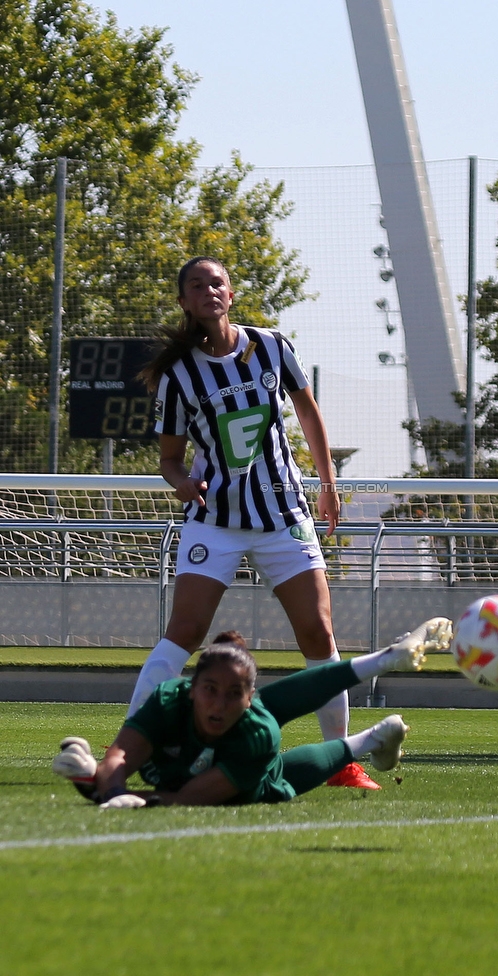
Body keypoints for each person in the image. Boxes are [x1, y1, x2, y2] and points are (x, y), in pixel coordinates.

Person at [130, 254, 372, 788]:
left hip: (283, 514)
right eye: (196, 285)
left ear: (231, 293)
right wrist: (181, 483)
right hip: (214, 520)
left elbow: (308, 414)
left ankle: (342, 763)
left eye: (216, 282)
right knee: (184, 632)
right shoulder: (177, 376)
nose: (208, 291)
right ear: (184, 301)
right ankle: (127, 746)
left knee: (319, 634)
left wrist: (328, 485)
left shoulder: (272, 346)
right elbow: (170, 459)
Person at [52, 618, 453, 809]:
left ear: (249, 699)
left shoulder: (257, 732)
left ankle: (372, 734)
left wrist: (108, 791)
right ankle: (379, 690)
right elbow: (121, 755)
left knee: (276, 778)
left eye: (234, 695)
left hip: (239, 778)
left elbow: (188, 799)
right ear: (192, 689)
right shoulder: (170, 699)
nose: (219, 704)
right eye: (209, 690)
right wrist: (108, 783)